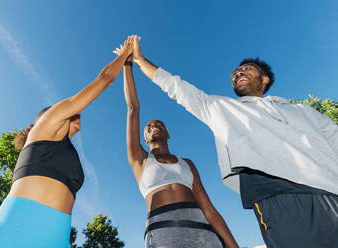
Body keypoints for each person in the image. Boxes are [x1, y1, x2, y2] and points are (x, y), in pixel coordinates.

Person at [130, 36, 338, 247]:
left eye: (246, 69)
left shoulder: (302, 111)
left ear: (264, 79)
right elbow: (175, 86)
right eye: (235, 73)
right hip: (277, 194)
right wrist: (138, 59)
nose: (238, 73)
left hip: (331, 189)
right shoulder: (220, 108)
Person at [0, 37, 134, 248]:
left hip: (57, 240)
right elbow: (105, 79)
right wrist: (124, 54)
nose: (73, 109)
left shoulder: (66, 150)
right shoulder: (46, 124)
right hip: (12, 233)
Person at [114, 40, 238, 248]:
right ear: (144, 138)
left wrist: (232, 245)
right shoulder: (139, 160)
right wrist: (127, 64)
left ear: (168, 134)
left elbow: (208, 208)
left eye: (159, 124)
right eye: (149, 126)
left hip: (201, 231)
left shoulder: (187, 163)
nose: (154, 126)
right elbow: (133, 108)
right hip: (163, 234)